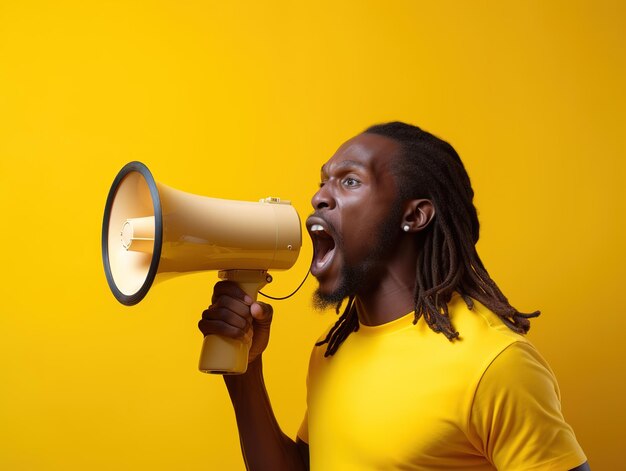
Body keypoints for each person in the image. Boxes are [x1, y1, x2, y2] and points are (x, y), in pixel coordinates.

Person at [198, 122, 590, 470]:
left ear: (414, 215)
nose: (319, 198)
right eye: (322, 182)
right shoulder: (332, 350)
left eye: (350, 181)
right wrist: (245, 369)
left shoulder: (495, 365)